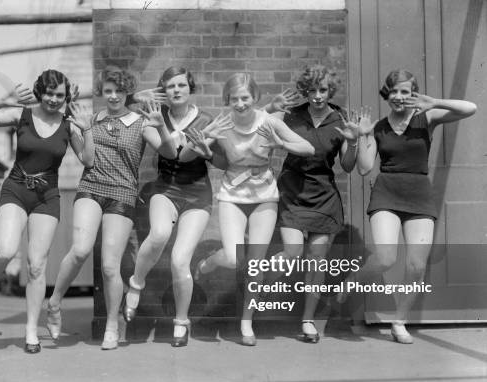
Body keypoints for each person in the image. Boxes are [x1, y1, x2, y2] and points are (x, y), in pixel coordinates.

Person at [0, 69, 94, 354]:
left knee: (37, 266)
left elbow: (88, 160)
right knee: (7, 251)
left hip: (47, 196)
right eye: (48, 93)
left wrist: (87, 129)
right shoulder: (21, 116)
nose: (53, 99)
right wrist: (4, 100)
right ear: (39, 92)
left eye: (59, 95)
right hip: (16, 189)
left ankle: (31, 331)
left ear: (66, 96)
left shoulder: (69, 126)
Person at [45, 66, 177, 350]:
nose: (113, 96)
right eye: (108, 91)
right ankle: (54, 303)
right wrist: (86, 129)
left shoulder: (142, 122)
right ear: (102, 93)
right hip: (91, 187)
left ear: (127, 92)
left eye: (118, 91)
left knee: (109, 266)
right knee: (80, 250)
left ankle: (112, 324)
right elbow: (88, 161)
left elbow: (170, 152)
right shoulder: (90, 119)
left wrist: (162, 125)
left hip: (122, 194)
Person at [191, 73, 315, 346]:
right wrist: (206, 146)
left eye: (245, 98)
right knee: (235, 259)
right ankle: (210, 262)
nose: (240, 104)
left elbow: (307, 147)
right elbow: (197, 150)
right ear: (227, 100)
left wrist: (281, 145)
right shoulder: (221, 124)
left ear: (255, 98)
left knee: (256, 264)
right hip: (232, 195)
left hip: (264, 196)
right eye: (234, 99)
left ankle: (246, 321)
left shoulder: (268, 121)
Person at [354, 69, 476, 343]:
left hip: (419, 194)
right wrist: (363, 136)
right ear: (387, 94)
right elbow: (363, 169)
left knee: (416, 265)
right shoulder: (378, 127)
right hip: (387, 192)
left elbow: (471, 108)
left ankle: (399, 321)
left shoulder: (427, 118)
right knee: (386, 258)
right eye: (394, 91)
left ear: (413, 94)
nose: (399, 97)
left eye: (405, 92)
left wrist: (436, 103)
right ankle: (354, 279)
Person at [121, 66, 232, 347]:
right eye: (170, 86)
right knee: (159, 234)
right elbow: (172, 153)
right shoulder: (153, 117)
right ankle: (135, 284)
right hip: (166, 189)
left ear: (190, 88)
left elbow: (224, 163)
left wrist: (208, 150)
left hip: (197, 195)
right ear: (163, 91)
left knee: (180, 259)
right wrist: (137, 97)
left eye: (182, 85)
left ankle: (181, 321)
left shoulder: (207, 119)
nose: (177, 90)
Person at [264, 65, 362, 343]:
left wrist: (353, 143)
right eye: (312, 90)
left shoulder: (341, 118)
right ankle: (265, 281)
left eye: (323, 90)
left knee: (317, 263)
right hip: (292, 189)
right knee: (293, 252)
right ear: (305, 90)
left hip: (324, 194)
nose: (317, 96)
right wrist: (271, 106)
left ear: (330, 91)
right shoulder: (292, 114)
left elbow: (347, 165)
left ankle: (307, 320)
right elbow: (254, 122)